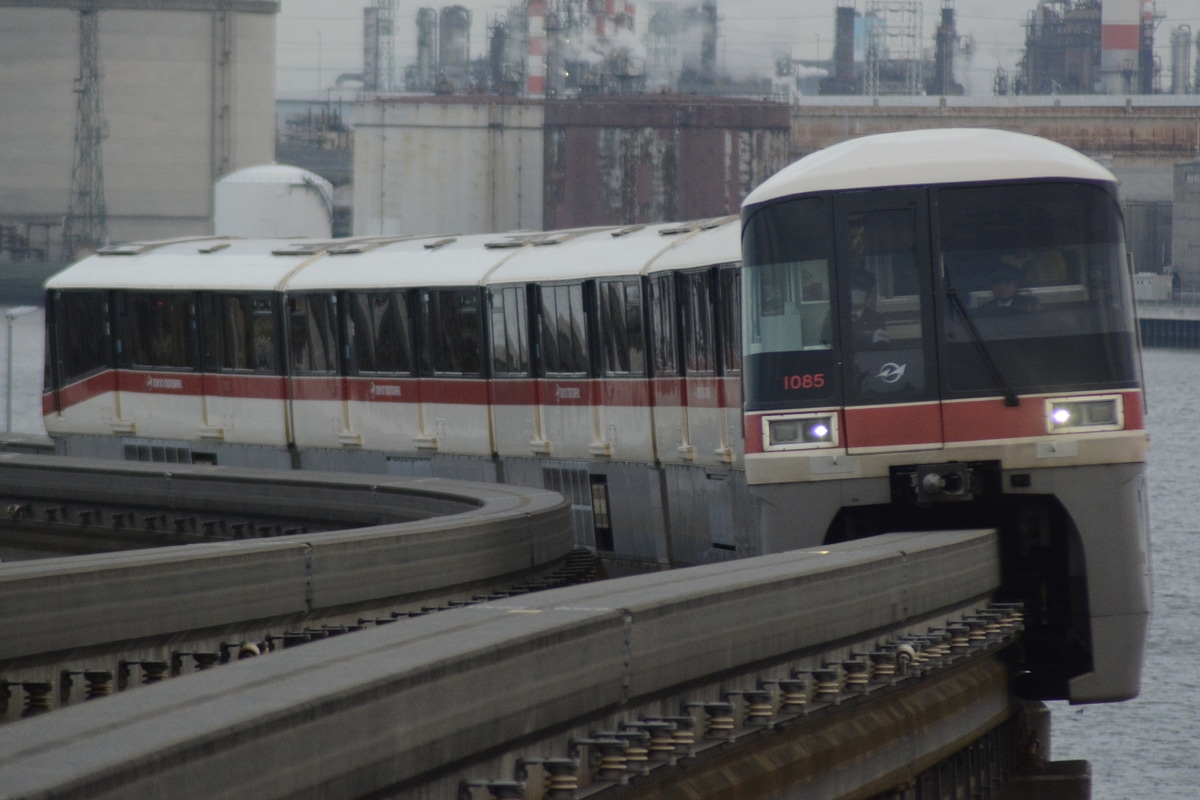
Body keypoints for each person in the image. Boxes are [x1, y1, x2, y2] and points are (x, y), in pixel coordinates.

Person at [848, 270, 889, 346]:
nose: (857, 293)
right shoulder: (836, 316)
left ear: (868, 294)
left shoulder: (877, 318)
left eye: (862, 289)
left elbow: (882, 346)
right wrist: (869, 337)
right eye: (854, 288)